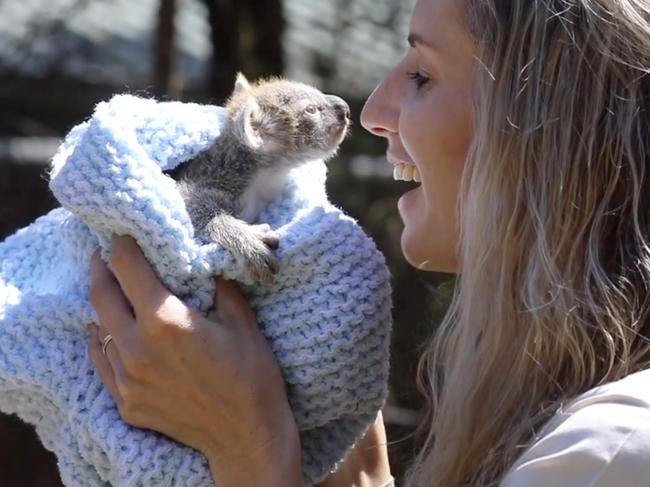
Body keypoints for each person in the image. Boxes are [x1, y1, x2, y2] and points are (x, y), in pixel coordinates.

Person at [87, 0, 650, 485]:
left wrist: (249, 448)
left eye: (423, 76)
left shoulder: (612, 451)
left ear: (547, 120)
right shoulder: (559, 409)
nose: (373, 111)